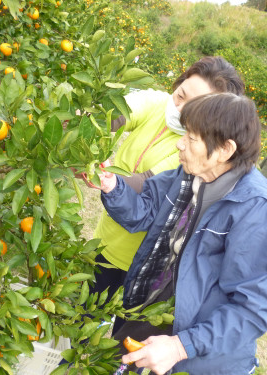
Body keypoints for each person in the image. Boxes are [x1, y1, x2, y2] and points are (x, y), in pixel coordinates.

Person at [95, 93, 267, 375]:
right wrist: (113, 187)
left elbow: (251, 311)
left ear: (225, 149)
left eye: (191, 138)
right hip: (155, 316)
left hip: (199, 354)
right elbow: (143, 209)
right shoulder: (190, 175)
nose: (180, 143)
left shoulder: (253, 209)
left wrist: (180, 347)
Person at [90, 57, 245, 333]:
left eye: (196, 108)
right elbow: (119, 112)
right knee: (80, 323)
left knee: (117, 345)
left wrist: (104, 178)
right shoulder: (158, 104)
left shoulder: (197, 154)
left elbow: (145, 186)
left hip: (146, 269)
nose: (180, 109)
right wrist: (82, 126)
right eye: (180, 95)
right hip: (105, 245)